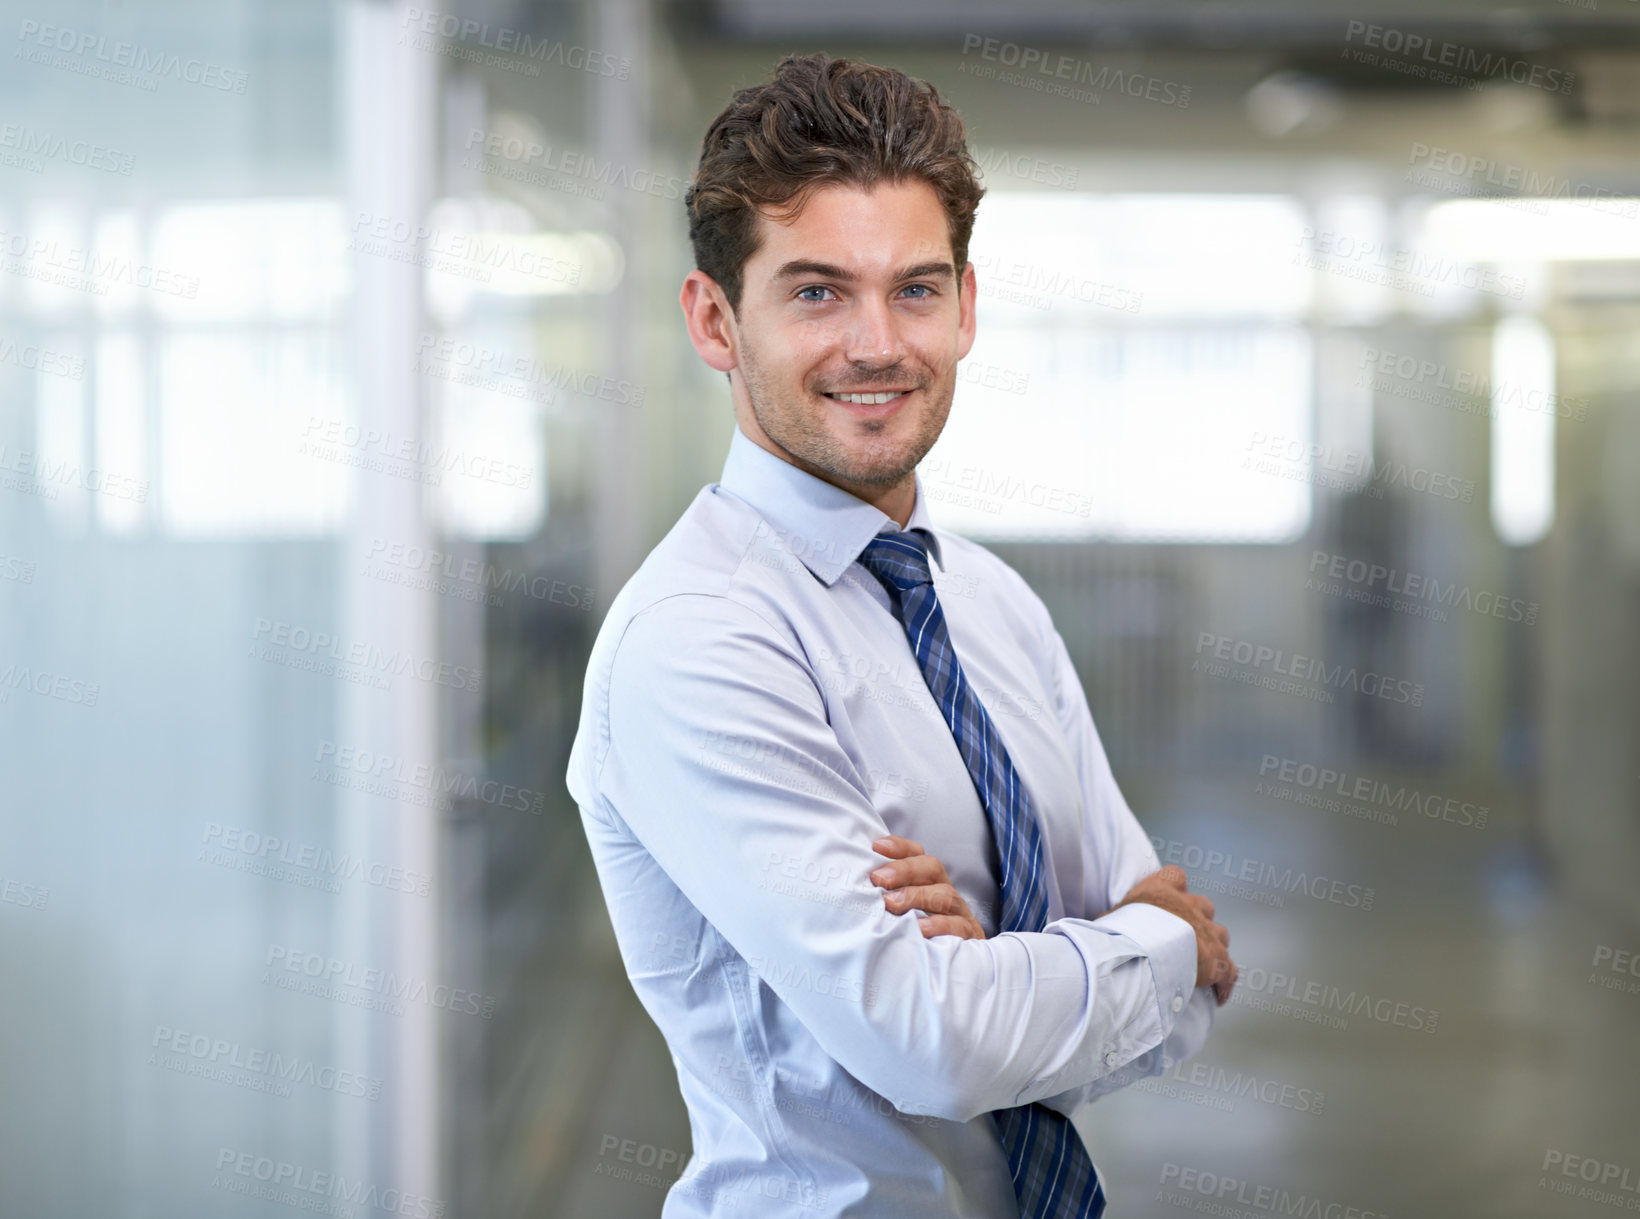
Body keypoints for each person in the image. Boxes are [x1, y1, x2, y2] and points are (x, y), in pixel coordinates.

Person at [565, 51, 1236, 1218]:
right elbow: (938, 1041)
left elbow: (1163, 1017)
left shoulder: (989, 604)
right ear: (714, 319)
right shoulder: (697, 638)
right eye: (817, 292)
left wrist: (1008, 959)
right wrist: (1145, 944)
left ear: (966, 308)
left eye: (915, 289)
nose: (877, 344)